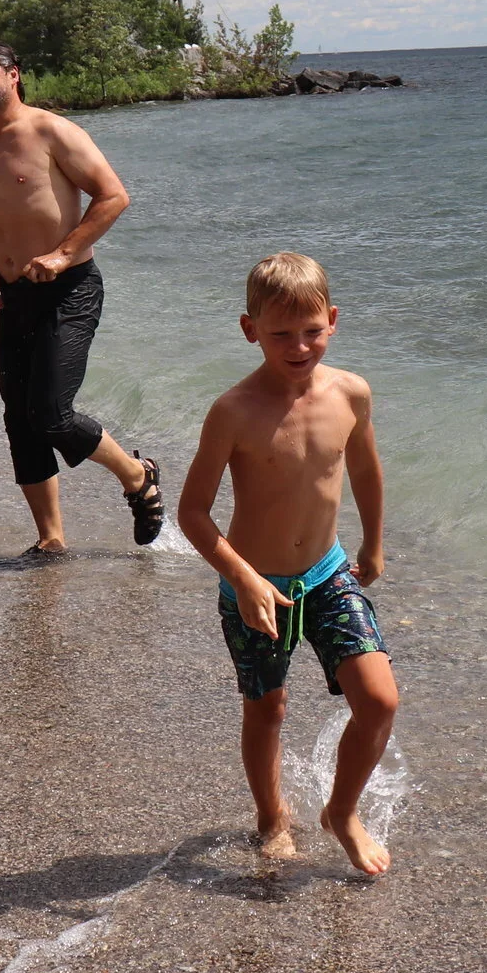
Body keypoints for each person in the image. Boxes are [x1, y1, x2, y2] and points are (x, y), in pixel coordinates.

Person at [176, 252, 397, 876]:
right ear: (250, 330)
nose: (298, 346)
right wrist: (242, 577)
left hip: (327, 574)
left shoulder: (351, 392)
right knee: (266, 707)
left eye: (311, 331)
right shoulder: (234, 411)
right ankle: (271, 815)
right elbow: (193, 513)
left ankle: (342, 813)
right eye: (279, 334)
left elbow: (365, 471)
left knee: (378, 700)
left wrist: (373, 543)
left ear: (332, 320)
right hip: (254, 585)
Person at [0, 38, 163, 554]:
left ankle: (138, 476)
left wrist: (64, 254)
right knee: (19, 419)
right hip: (14, 297)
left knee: (52, 414)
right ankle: (51, 540)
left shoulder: (51, 130)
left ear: (13, 74)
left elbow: (113, 195)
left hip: (70, 291)